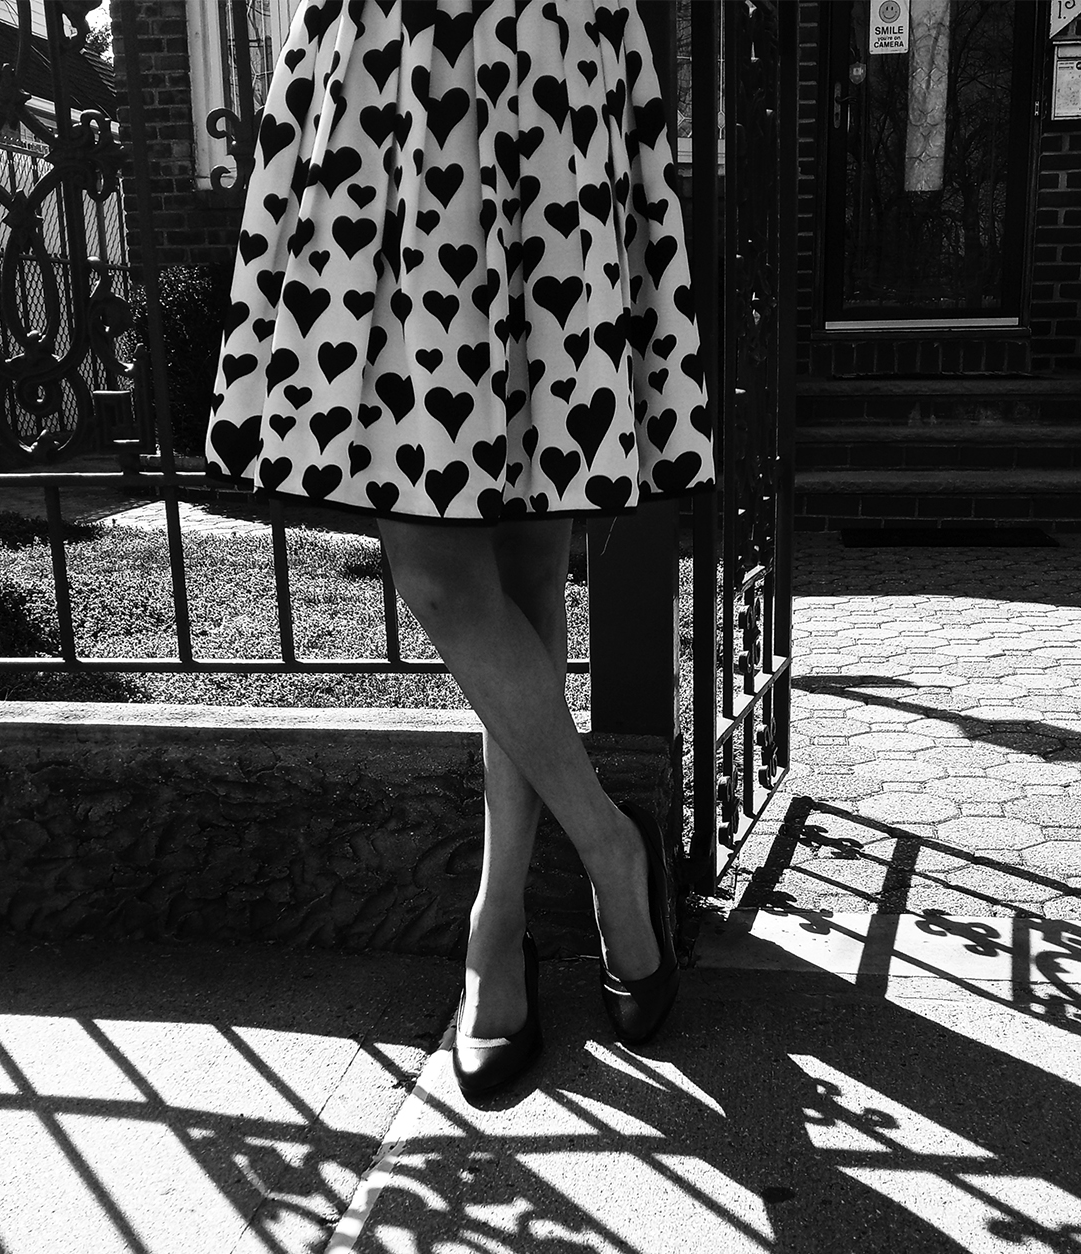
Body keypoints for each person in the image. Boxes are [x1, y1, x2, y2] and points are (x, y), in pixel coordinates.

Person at [203, 0, 713, 1097]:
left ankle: (496, 931)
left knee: (533, 560)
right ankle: (609, 851)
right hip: (392, 86)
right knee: (438, 568)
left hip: (546, 66)